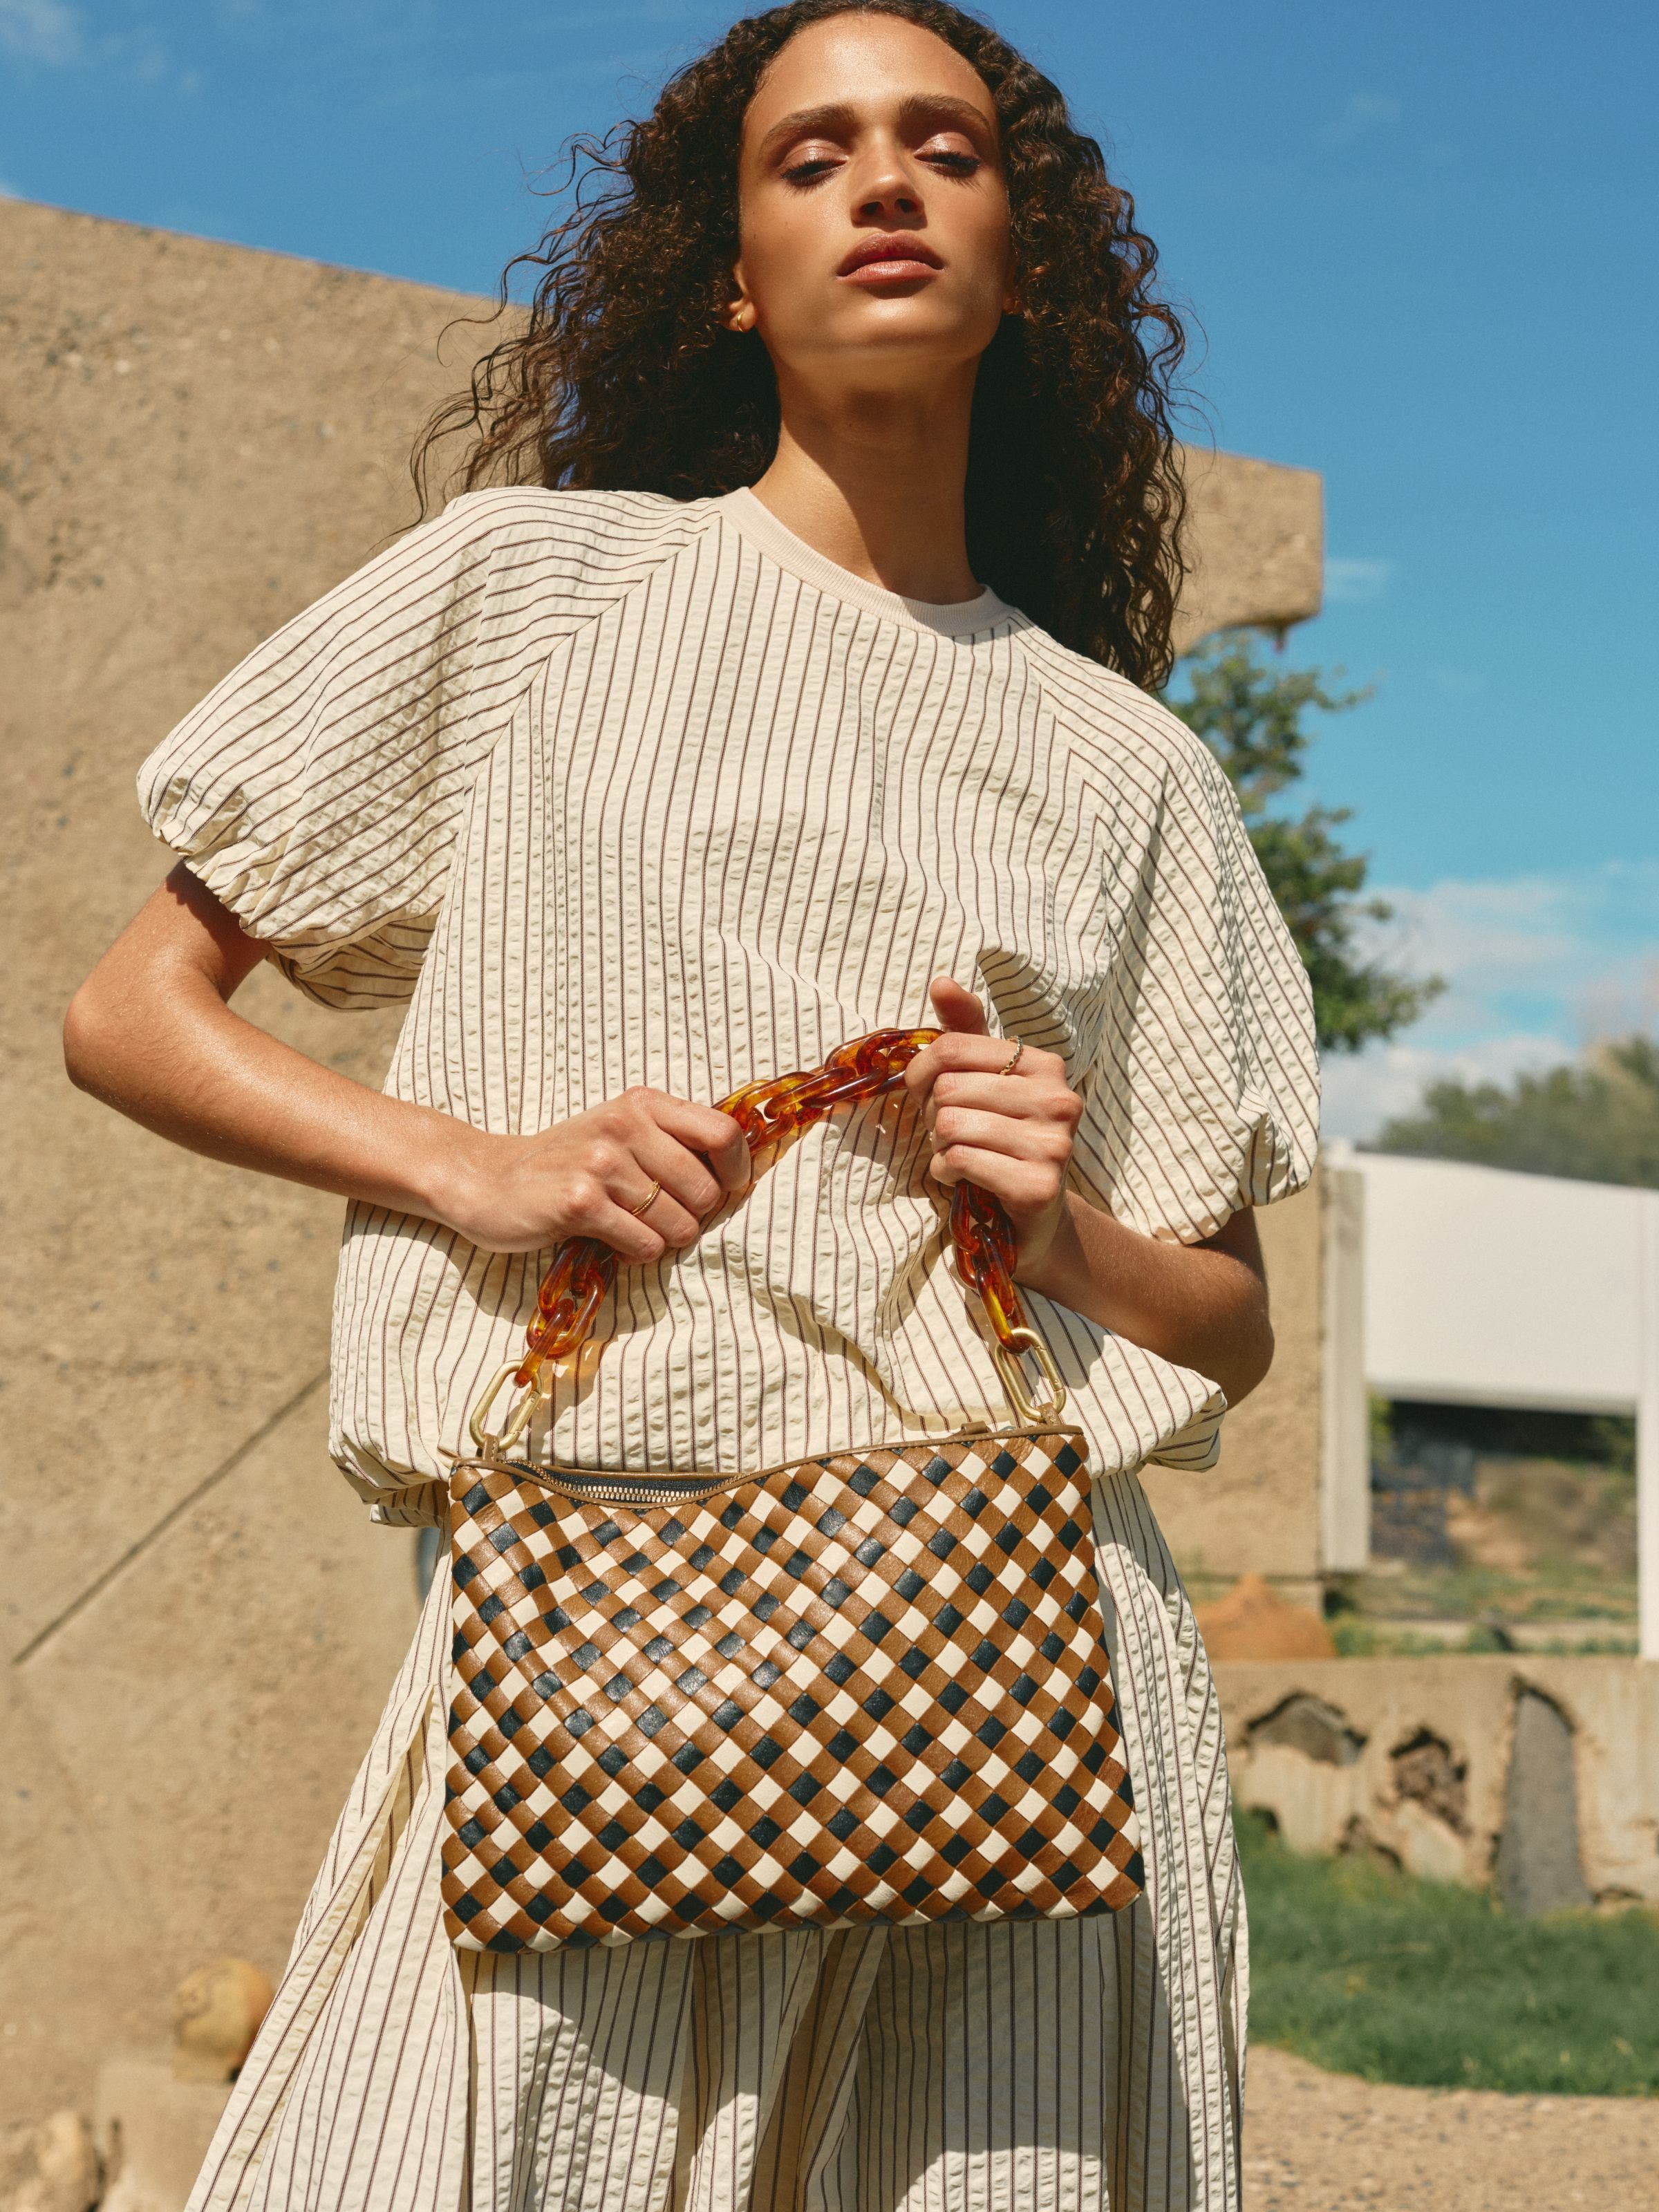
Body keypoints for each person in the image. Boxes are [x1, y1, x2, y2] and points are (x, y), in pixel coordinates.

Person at [64, 2, 1318, 2205]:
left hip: (1020, 1663)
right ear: (733, 269)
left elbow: (1227, 1320)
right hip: (610, 1619)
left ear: (1029, 257)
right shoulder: (537, 593)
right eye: (815, 155)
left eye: (944, 146)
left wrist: (1069, 1231)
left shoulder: (1137, 762)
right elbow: (134, 1012)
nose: (888, 185)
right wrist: (483, 1165)